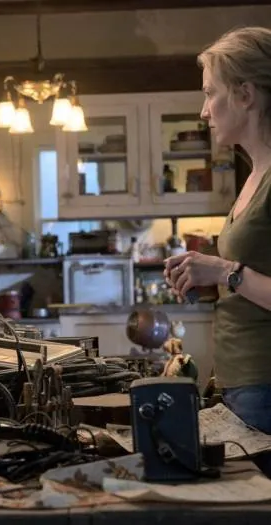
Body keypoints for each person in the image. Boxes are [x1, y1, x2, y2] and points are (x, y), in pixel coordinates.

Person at [164, 26, 271, 476]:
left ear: (246, 94)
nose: (204, 110)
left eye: (211, 93)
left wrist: (226, 271)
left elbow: (238, 272)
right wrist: (205, 275)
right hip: (243, 382)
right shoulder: (254, 173)